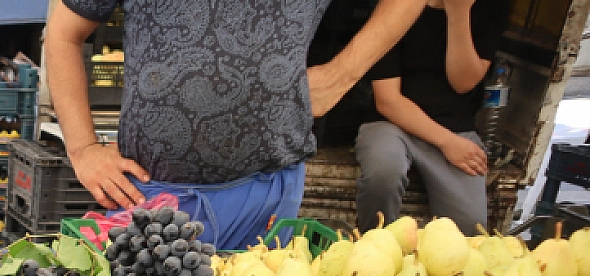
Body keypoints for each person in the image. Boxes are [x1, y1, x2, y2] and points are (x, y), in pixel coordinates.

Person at [45, 0, 427, 250]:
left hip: (269, 194)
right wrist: (83, 148)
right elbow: (63, 32)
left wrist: (343, 74)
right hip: (150, 194)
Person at [355, 0, 507, 235]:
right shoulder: (395, 6)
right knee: (383, 173)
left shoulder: (491, 8)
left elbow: (463, 83)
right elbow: (387, 100)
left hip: (457, 130)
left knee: (469, 230)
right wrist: (446, 142)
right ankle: (373, 243)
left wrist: (458, 13)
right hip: (391, 124)